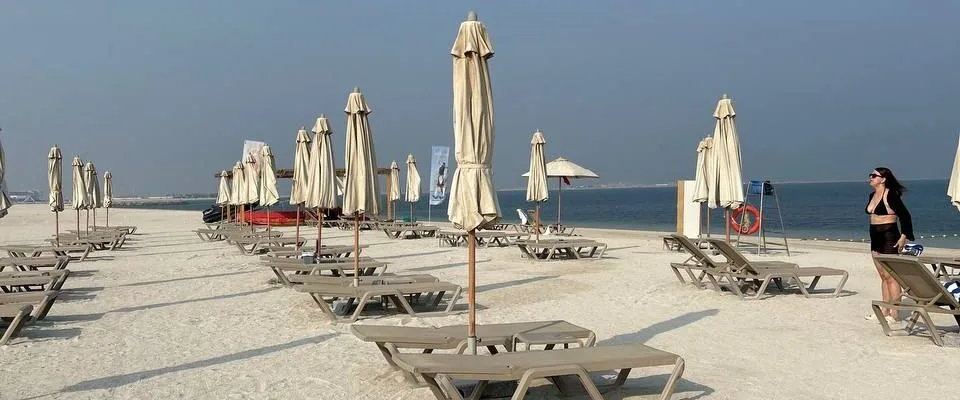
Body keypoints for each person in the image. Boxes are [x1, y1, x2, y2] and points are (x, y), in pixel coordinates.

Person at [864, 167, 914, 323]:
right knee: (883, 276)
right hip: (875, 236)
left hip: (889, 236)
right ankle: (884, 310)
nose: (871, 178)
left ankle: (894, 313)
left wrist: (904, 236)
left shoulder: (890, 194)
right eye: (870, 175)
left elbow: (905, 216)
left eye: (874, 175)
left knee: (891, 276)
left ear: (883, 179)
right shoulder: (872, 195)